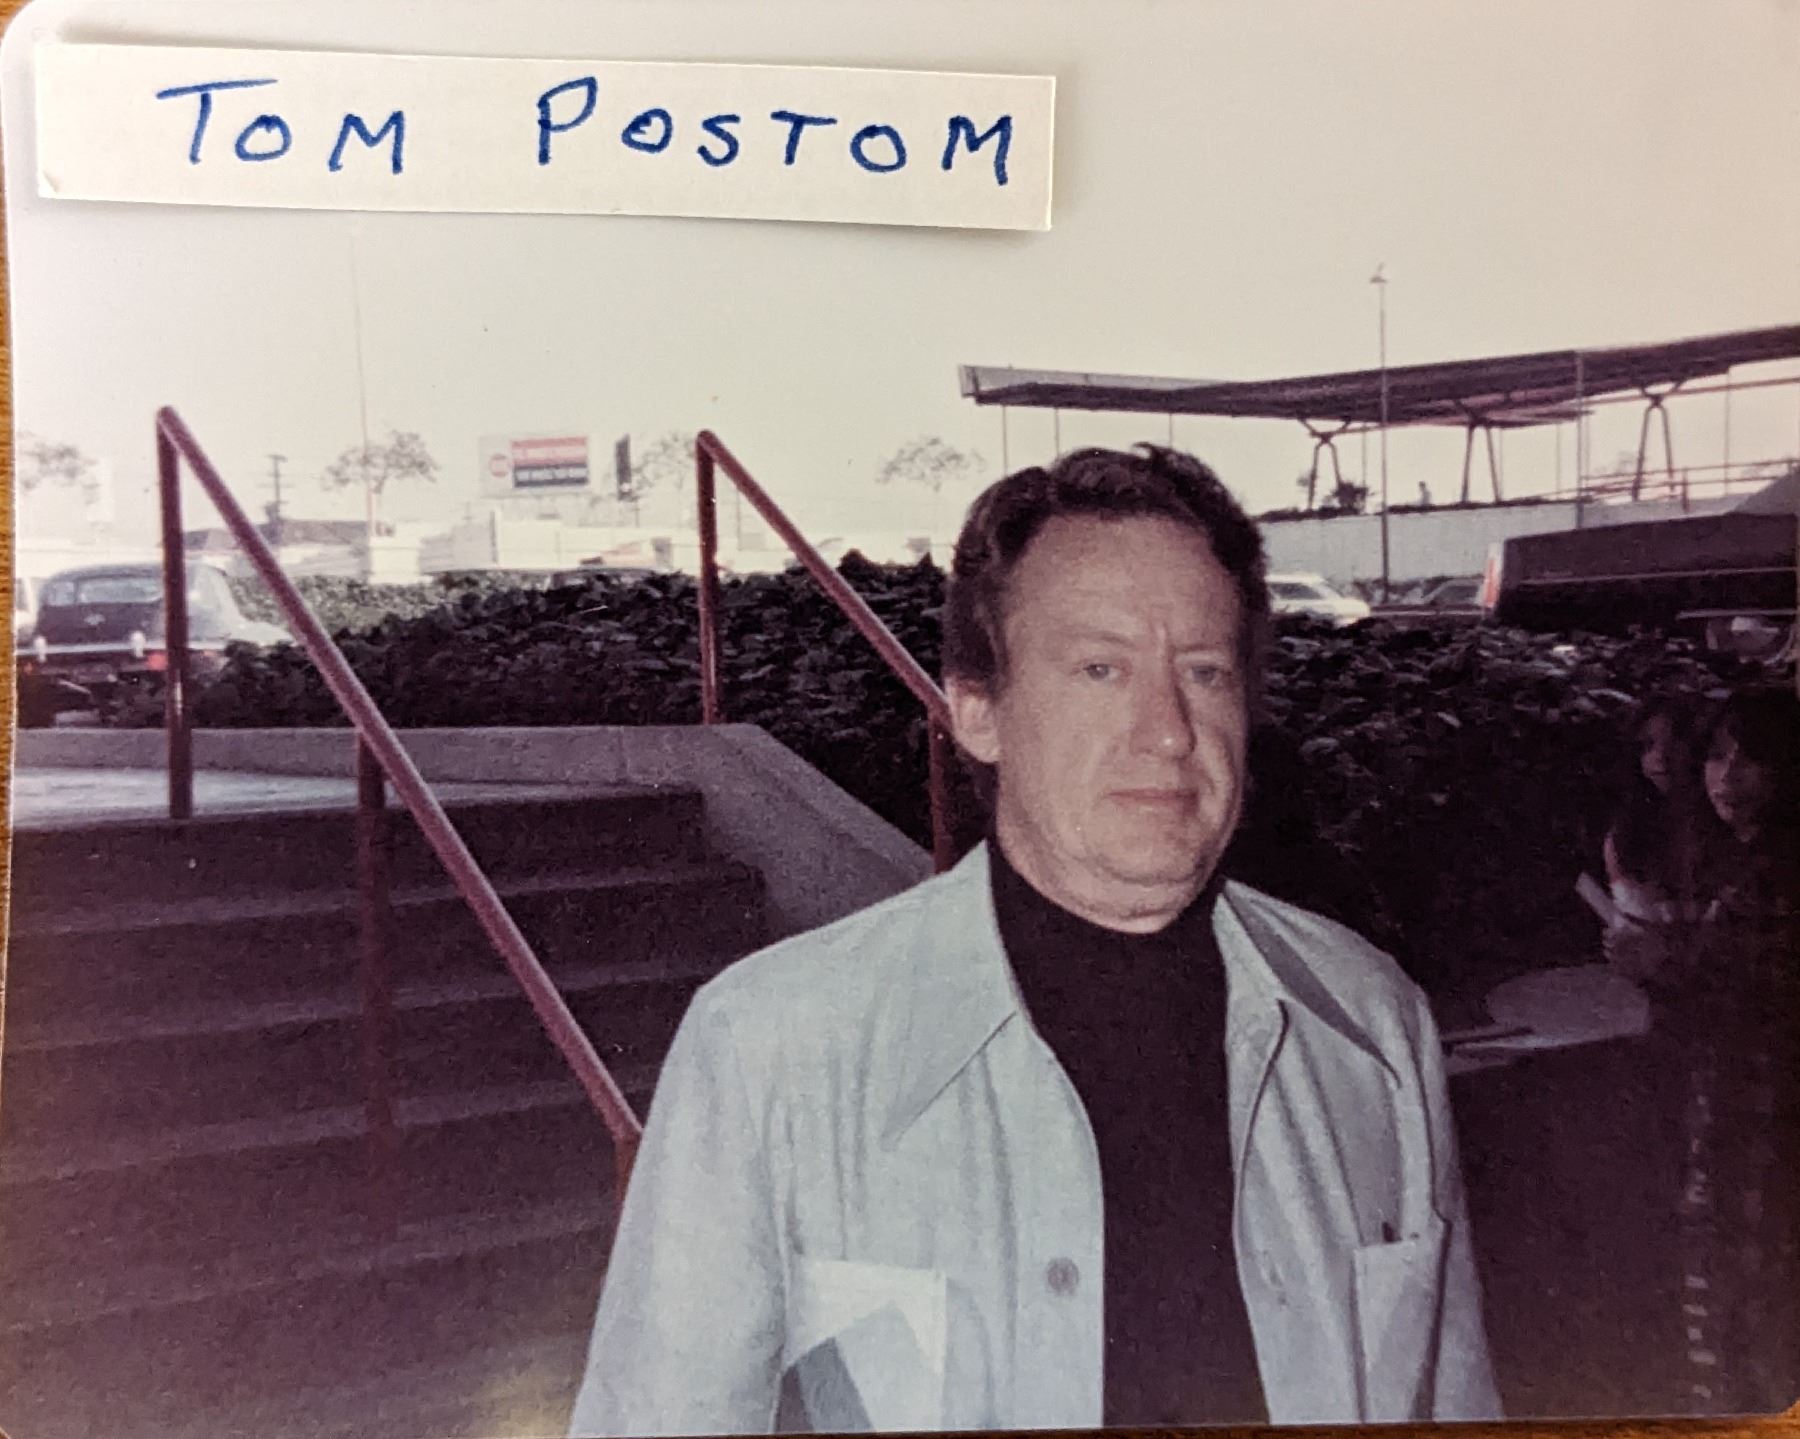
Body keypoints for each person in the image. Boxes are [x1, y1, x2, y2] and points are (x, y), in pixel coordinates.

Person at [567, 446, 1500, 1435]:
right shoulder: (769, 1047)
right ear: (977, 710)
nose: (1169, 730)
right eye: (1101, 668)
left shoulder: (1373, 1024)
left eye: (1204, 670)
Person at [1655, 690, 1800, 1416]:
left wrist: (1664, 965)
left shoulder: (1778, 871)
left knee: (1760, 1281)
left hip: (1769, 1111)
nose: (1728, 776)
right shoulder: (1732, 862)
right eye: (1717, 756)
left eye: (1750, 758)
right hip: (1735, 1106)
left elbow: (1755, 992)